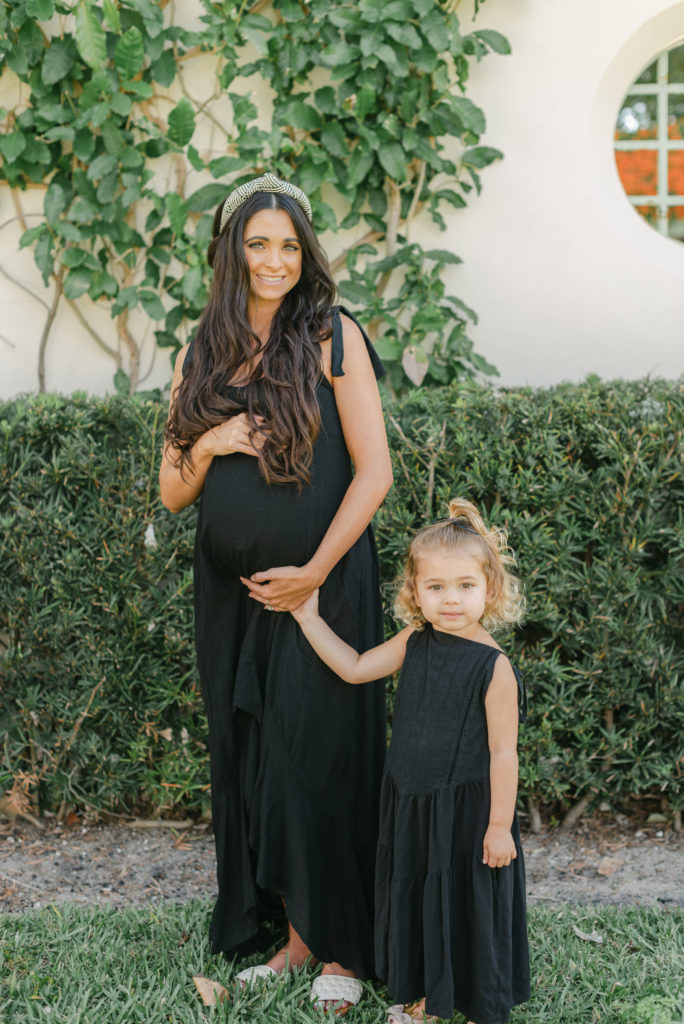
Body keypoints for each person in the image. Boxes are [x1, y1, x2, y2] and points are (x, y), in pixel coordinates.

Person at [159, 173, 393, 1015]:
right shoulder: (204, 349)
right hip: (230, 597)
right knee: (254, 759)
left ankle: (342, 945)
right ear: (231, 251)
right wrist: (213, 437)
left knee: (319, 753)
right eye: (258, 243)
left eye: (288, 245)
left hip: (319, 588)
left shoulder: (333, 334)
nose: (274, 259)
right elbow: (171, 490)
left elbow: (375, 474)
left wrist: (314, 575)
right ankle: (294, 937)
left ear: (306, 253)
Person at [291, 498, 531, 1024]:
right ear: (414, 591)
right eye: (436, 587)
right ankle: (423, 988)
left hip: (465, 815)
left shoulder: (494, 667)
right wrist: (308, 618)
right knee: (419, 896)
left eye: (465, 586)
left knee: (457, 902)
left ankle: (454, 1002)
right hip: (410, 802)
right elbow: (355, 668)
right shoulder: (414, 641)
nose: (450, 599)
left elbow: (502, 752)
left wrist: (498, 827)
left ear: (490, 589)